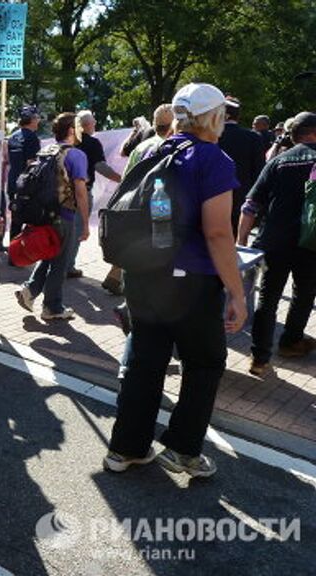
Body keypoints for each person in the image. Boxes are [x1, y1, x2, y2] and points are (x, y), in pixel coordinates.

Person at [104, 83, 246, 478]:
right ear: (212, 117)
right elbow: (218, 233)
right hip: (191, 280)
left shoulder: (150, 148)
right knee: (205, 362)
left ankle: (126, 448)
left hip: (142, 273)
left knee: (145, 360)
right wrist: (236, 292)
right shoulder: (213, 159)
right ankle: (183, 450)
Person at [238, 111, 316, 376]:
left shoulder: (278, 161)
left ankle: (259, 357)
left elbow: (250, 206)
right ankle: (291, 342)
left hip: (273, 240)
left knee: (268, 298)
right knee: (304, 293)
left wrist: (241, 244)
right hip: (311, 242)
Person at [15, 112, 90, 321]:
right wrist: (85, 223)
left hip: (43, 214)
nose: (81, 131)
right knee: (61, 263)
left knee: (50, 255)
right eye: (79, 127)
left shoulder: (45, 150)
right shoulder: (76, 155)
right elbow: (81, 191)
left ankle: (29, 291)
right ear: (71, 130)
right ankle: (52, 307)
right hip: (63, 215)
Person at [103, 104, 175, 298]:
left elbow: (126, 176)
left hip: (130, 201)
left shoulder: (142, 146)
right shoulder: (167, 147)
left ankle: (117, 276)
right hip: (151, 205)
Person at [69, 109, 121, 278]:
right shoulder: (92, 143)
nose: (96, 124)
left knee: (64, 229)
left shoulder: (68, 140)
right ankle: (68, 266)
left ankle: (60, 262)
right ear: (87, 125)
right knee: (77, 230)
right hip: (82, 190)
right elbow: (100, 167)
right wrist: (120, 178)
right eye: (93, 122)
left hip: (61, 191)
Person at [218, 96, 266, 233]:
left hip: (215, 198)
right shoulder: (253, 138)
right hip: (243, 198)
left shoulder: (213, 138)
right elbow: (259, 173)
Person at [6, 105, 41, 244]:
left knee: (16, 221)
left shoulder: (13, 136)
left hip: (13, 182)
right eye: (37, 118)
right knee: (30, 220)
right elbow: (31, 163)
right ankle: (20, 254)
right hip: (26, 185)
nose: (38, 121)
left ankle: (13, 253)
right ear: (32, 120)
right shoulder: (32, 138)